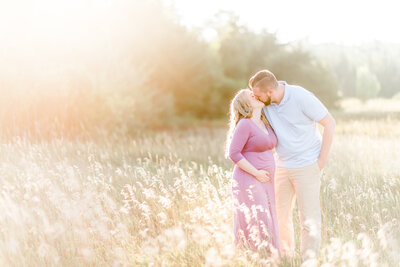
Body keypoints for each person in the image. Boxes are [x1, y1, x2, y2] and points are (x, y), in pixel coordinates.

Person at [249, 69, 336, 260]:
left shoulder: (301, 96)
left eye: (258, 95)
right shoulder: (265, 105)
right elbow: (253, 126)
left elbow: (330, 123)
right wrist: (255, 105)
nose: (256, 97)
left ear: (270, 92)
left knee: (309, 220)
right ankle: (287, 259)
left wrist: (320, 162)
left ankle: (308, 261)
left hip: (307, 165)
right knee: (280, 217)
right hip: (281, 166)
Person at [226, 88, 281, 255]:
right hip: (248, 178)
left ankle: (270, 258)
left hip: (267, 180)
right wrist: (256, 173)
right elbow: (233, 153)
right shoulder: (245, 124)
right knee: (258, 217)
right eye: (250, 95)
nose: (255, 94)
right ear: (245, 104)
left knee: (269, 216)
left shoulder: (265, 123)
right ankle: (255, 257)